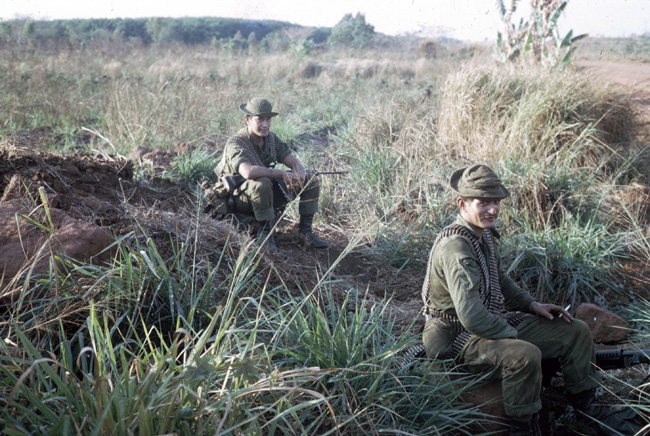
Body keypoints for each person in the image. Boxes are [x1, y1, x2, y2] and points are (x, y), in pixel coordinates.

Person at [421, 164, 640, 436]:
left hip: (487, 323)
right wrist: (513, 334)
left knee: (576, 331)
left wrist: (532, 305)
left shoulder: (482, 235)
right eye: (483, 202)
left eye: (496, 202)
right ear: (462, 203)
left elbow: (500, 280)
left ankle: (587, 409)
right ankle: (523, 428)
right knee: (525, 354)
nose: (492, 209)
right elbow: (471, 316)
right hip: (458, 335)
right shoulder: (456, 247)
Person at [214, 97, 328, 252]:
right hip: (238, 198)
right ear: (247, 119)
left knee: (311, 179)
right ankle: (265, 235)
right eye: (260, 119)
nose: (265, 124)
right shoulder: (236, 143)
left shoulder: (271, 139)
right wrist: (282, 174)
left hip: (262, 193)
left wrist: (299, 174)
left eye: (268, 119)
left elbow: (293, 162)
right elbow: (247, 172)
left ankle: (305, 232)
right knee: (262, 183)